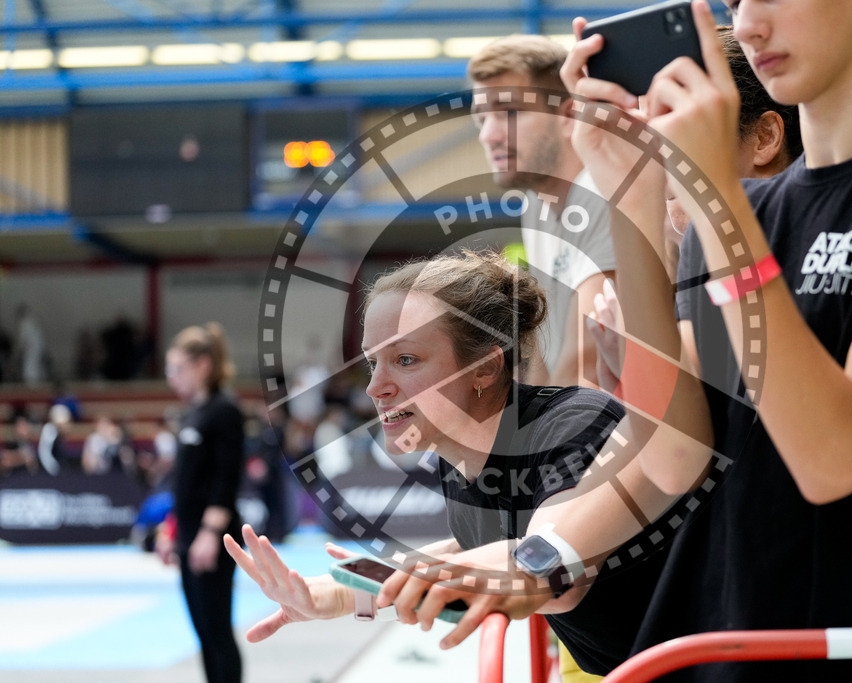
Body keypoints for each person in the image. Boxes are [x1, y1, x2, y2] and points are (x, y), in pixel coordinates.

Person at [399, 2, 852, 680]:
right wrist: (631, 196)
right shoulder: (740, 216)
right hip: (750, 634)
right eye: (736, 2)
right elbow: (670, 453)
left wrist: (718, 202)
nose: (751, 24)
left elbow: (834, 458)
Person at [224, 249, 678, 676]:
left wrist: (368, 589)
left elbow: (552, 567)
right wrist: (344, 592)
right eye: (372, 364)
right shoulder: (460, 454)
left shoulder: (575, 423)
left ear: (484, 368)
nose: (375, 388)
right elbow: (477, 542)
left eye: (405, 359)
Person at [469, 35, 615, 388]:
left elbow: (585, 362)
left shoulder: (608, 192)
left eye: (508, 113)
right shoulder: (535, 206)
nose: (488, 135)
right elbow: (545, 352)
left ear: (569, 114)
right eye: (481, 119)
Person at [157, 322, 244, 683]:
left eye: (178, 370)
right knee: (202, 633)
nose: (172, 379)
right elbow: (185, 483)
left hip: (214, 538)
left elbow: (226, 479)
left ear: (202, 365)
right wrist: (170, 528)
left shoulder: (224, 411)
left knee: (217, 629)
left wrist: (209, 534)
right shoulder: (193, 412)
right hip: (189, 533)